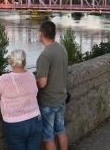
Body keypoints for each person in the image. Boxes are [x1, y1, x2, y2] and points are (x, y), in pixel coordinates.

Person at [0, 49, 42, 150]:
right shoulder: (31, 76)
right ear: (25, 62)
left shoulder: (4, 79)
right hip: (35, 119)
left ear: (10, 62)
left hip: (15, 123)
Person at [36, 21, 68, 150]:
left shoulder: (44, 56)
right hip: (61, 97)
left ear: (41, 34)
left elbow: (42, 83)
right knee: (60, 130)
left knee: (48, 136)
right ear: (54, 33)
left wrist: (33, 81)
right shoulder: (61, 48)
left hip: (48, 102)